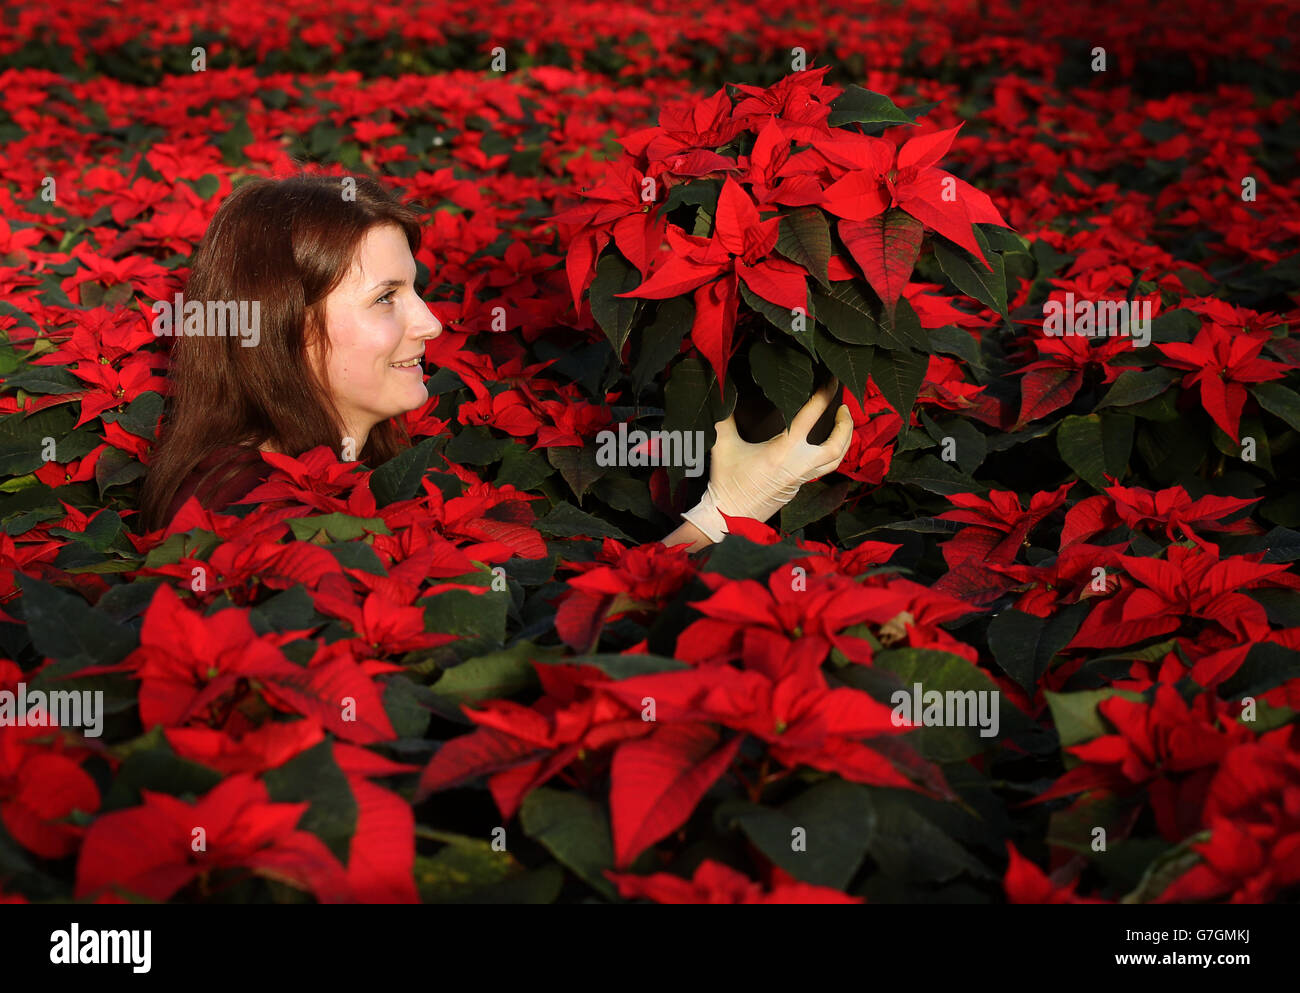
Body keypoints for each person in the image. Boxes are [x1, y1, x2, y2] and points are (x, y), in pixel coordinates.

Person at [138, 174, 854, 550]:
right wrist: (724, 515)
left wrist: (724, 511)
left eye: (416, 288)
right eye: (387, 297)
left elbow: (544, 639)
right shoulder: (242, 510)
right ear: (285, 328)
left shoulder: (343, 463)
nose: (431, 321)